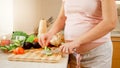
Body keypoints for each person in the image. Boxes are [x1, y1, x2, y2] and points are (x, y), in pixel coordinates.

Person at [39, 0, 117, 68]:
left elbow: (110, 22)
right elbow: (62, 17)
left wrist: (77, 42)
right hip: (73, 54)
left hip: (97, 55)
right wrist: (50, 33)